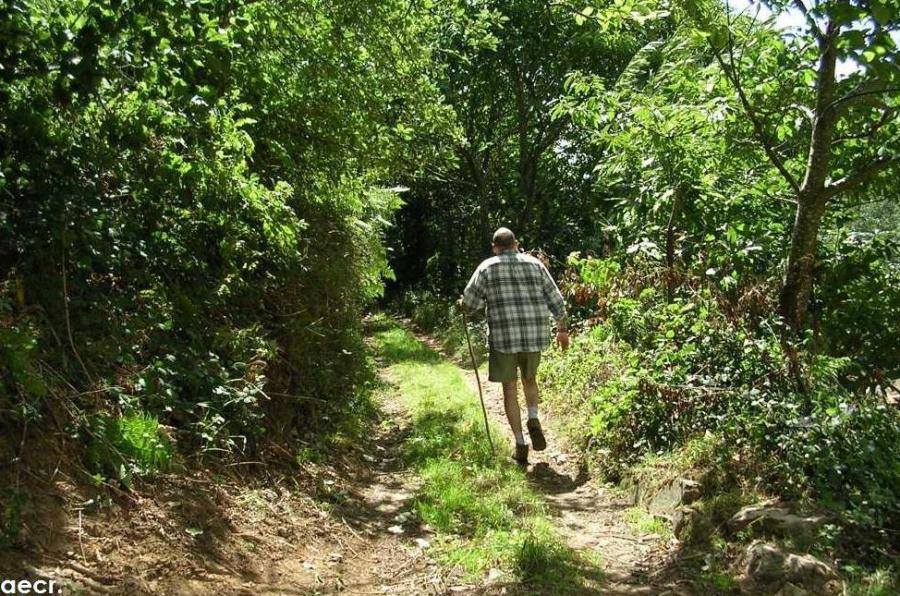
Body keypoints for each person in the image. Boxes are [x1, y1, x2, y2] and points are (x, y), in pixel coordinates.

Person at [459, 227, 568, 465]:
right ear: (516, 244)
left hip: (503, 338)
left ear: (495, 247)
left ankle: (520, 444)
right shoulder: (535, 264)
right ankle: (533, 416)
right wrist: (562, 330)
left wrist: (463, 306)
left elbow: (470, 304)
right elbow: (556, 299)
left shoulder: (487, 267)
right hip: (534, 335)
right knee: (530, 379)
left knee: (510, 388)